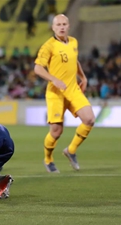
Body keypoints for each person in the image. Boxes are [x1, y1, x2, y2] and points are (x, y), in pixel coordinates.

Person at [34, 14, 95, 173]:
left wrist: (83, 76)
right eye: (58, 24)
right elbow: (38, 68)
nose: (61, 27)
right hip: (56, 92)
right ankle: (48, 159)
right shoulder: (48, 46)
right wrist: (53, 79)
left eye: (64, 24)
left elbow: (74, 60)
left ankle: (71, 150)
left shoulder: (73, 42)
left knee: (89, 119)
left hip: (73, 89)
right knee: (56, 131)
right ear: (53, 28)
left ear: (68, 26)